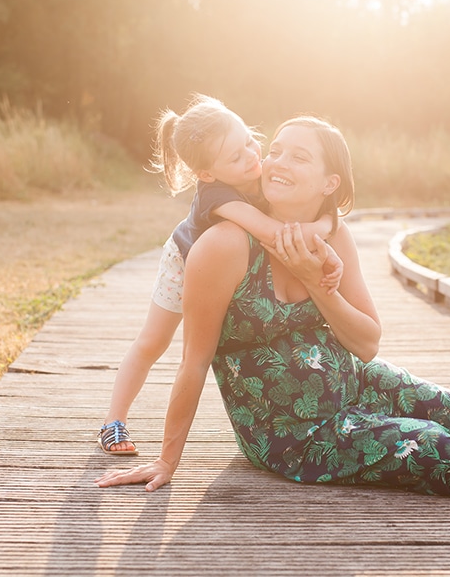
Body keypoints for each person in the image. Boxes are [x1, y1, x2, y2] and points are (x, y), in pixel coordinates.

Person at [96, 116, 450, 496]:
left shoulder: (334, 236)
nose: (277, 162)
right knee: (440, 450)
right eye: (276, 151)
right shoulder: (224, 244)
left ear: (329, 183)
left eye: (298, 157)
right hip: (294, 432)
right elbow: (193, 361)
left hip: (357, 383)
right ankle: (424, 429)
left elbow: (367, 344)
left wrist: (315, 282)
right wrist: (167, 462)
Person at [98, 96, 340, 455]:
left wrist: (327, 225)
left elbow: (322, 209)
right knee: (153, 341)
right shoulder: (218, 195)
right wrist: (325, 230)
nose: (252, 155)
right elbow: (275, 233)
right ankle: (113, 422)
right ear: (206, 174)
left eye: (248, 140)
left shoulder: (256, 172)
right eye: (236, 156)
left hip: (224, 267)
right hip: (185, 259)